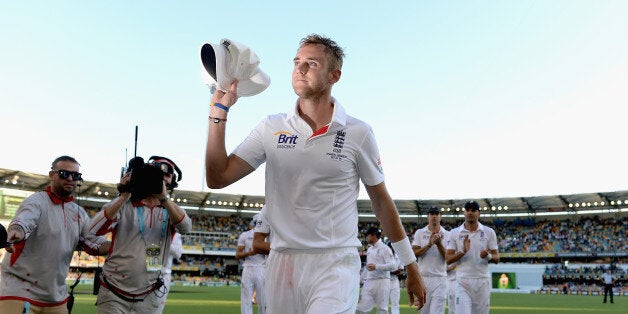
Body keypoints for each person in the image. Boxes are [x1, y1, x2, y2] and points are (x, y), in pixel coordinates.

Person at [204, 33, 426, 313]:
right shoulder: (270, 127)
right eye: (297, 62)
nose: (300, 68)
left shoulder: (358, 132)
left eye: (312, 63)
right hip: (281, 262)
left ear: (335, 76)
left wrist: (410, 263)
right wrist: (218, 113)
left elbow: (381, 202)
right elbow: (218, 177)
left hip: (334, 263)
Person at [0, 155, 109, 314]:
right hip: (19, 291)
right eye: (64, 173)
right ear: (52, 175)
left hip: (55, 297)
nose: (71, 178)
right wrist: (15, 232)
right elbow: (23, 222)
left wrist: (123, 245)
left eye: (76, 175)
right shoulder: (36, 201)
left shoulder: (79, 213)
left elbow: (94, 243)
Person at [89, 156, 192, 313]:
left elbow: (186, 228)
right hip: (113, 292)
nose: (161, 178)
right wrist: (124, 195)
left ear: (172, 182)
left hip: (149, 295)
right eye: (156, 173)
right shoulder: (124, 203)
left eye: (167, 175)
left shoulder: (170, 208)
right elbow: (94, 229)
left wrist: (164, 199)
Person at [445, 201, 499, 314]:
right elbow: (448, 258)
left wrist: (488, 256)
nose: (470, 212)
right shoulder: (454, 233)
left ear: (478, 213)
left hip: (482, 281)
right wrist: (463, 251)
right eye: (467, 210)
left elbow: (496, 258)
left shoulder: (489, 232)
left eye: (473, 210)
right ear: (464, 212)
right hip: (462, 281)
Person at [412, 206, 450, 314]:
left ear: (440, 217)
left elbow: (448, 258)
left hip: (440, 278)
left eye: (436, 214)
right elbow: (414, 254)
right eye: (431, 213)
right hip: (423, 279)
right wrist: (429, 245)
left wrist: (439, 244)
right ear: (427, 217)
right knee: (424, 312)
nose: (434, 216)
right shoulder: (420, 232)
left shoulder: (447, 234)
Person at [357, 227, 396, 314]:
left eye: (367, 235)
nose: (366, 238)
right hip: (369, 281)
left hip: (382, 281)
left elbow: (393, 265)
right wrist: (360, 279)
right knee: (362, 308)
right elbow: (368, 267)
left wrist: (377, 267)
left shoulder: (385, 248)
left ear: (373, 235)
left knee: (382, 309)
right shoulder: (370, 249)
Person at [236, 214, 266, 314]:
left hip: (262, 267)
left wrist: (259, 250)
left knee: (263, 299)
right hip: (248, 268)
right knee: (246, 298)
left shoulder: (267, 237)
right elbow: (238, 255)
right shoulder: (245, 235)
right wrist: (250, 253)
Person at [156, 232, 183, 313]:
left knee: (157, 308)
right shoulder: (148, 228)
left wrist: (162, 244)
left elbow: (178, 253)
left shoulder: (174, 234)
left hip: (164, 274)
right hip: (146, 273)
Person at [387, 241, 404, 314]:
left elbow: (401, 270)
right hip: (385, 281)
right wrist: (394, 272)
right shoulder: (384, 256)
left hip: (394, 281)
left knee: (395, 303)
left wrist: (391, 272)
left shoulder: (398, 257)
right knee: (383, 303)